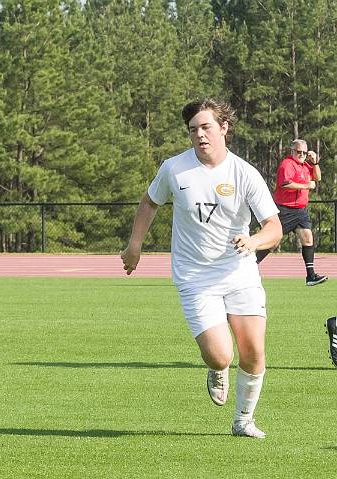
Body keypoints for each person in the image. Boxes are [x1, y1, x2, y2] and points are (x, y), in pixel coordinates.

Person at [121, 99, 282, 438]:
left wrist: (253, 242)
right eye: (193, 129)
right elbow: (150, 202)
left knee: (253, 350)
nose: (199, 134)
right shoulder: (174, 168)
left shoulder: (244, 173)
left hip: (239, 271)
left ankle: (243, 421)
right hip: (194, 276)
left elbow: (274, 227)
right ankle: (217, 369)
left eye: (206, 127)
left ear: (224, 128)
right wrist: (135, 245)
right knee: (221, 355)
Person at [255, 140, 327, 286]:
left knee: (308, 238)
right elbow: (285, 183)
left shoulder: (305, 165)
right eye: (298, 152)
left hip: (300, 210)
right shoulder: (287, 164)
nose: (301, 155)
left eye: (304, 153)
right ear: (292, 151)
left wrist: (315, 163)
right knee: (272, 241)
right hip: (284, 210)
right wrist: (306, 185)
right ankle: (249, 264)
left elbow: (318, 177)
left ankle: (311, 276)